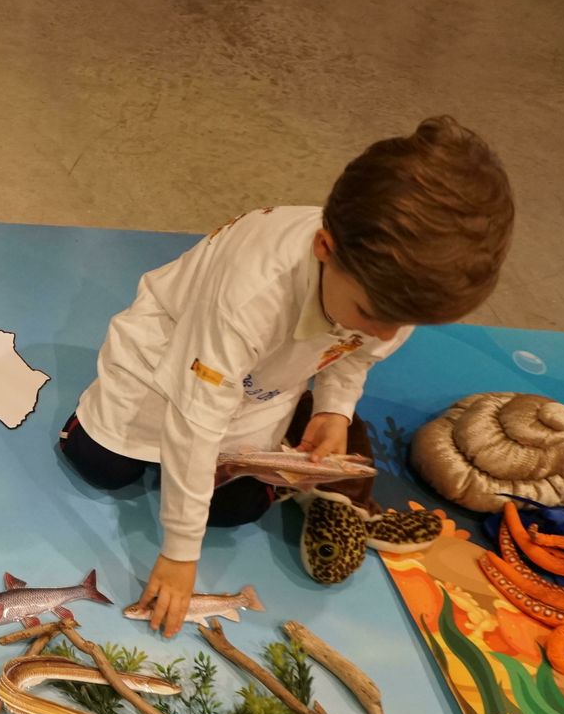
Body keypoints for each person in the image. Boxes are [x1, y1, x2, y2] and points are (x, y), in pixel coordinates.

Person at [60, 116, 513, 636]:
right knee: (100, 466)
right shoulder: (252, 295)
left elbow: (356, 351)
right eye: (372, 314)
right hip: (164, 364)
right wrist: (180, 552)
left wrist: (335, 409)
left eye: (405, 323)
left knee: (234, 511)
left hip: (265, 381)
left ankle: (305, 422)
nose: (387, 335)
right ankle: (100, 431)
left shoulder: (384, 294)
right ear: (325, 249)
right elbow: (194, 417)